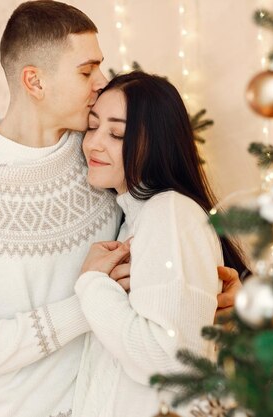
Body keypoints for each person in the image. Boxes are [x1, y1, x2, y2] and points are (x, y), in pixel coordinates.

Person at [0, 2, 241, 417]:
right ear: (34, 81)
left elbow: (168, 248)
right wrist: (83, 305)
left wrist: (212, 296)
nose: (102, 82)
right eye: (87, 71)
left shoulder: (100, 162)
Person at [71, 71, 249, 417]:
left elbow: (171, 360)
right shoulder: (134, 219)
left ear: (155, 142)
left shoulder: (169, 211)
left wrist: (91, 284)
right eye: (93, 127)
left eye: (117, 133)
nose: (93, 143)